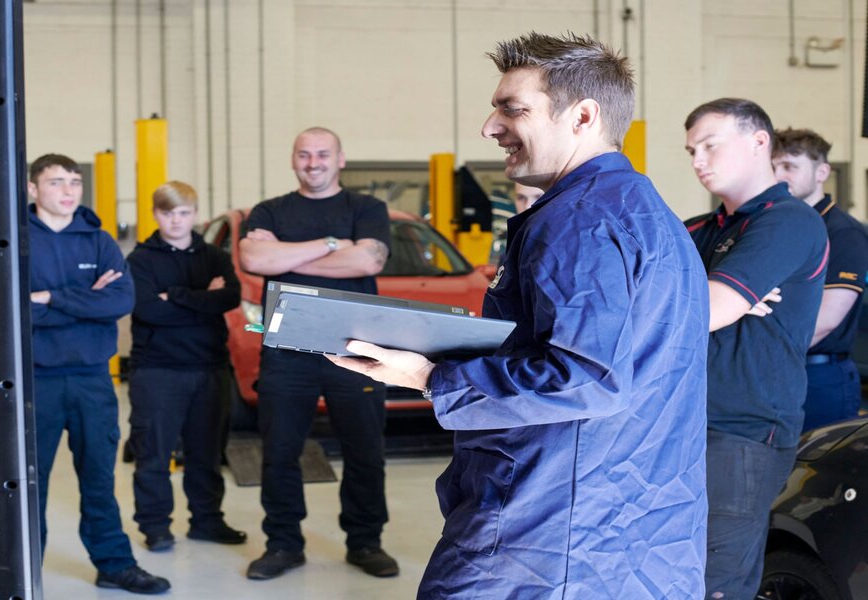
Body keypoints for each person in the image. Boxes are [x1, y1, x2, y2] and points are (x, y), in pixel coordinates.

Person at [330, 32, 709, 598]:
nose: (490, 127)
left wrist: (429, 376)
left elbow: (586, 377)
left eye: (513, 109)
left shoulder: (579, 219)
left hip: (549, 532)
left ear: (582, 116)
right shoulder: (646, 212)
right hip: (634, 527)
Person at [683, 100, 829, 599]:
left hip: (740, 434)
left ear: (759, 142)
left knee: (714, 583)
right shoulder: (699, 231)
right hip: (681, 424)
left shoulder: (788, 221)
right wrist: (703, 295)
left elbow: (710, 309)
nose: (699, 159)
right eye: (691, 150)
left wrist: (713, 297)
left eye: (710, 145)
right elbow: (634, 301)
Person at [238, 127, 396, 581]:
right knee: (280, 452)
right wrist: (331, 246)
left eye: (322, 154)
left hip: (358, 349)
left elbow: (368, 262)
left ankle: (366, 542)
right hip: (287, 349)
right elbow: (254, 260)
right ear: (293, 160)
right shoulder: (270, 209)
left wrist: (285, 259)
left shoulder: (366, 208)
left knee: (365, 450)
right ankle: (283, 544)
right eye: (304, 155)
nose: (313, 162)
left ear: (340, 159)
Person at [28, 154, 170, 594]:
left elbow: (118, 303)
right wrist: (81, 302)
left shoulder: (98, 240)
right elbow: (8, 310)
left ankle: (113, 564)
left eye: (74, 182)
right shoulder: (12, 239)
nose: (69, 191)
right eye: (56, 182)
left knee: (99, 478)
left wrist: (50, 298)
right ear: (33, 190)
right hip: (35, 380)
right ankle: (23, 569)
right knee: (30, 482)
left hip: (92, 379)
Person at [126, 181, 245, 552]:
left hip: (209, 368)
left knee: (206, 453)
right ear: (155, 214)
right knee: (153, 454)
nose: (175, 221)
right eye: (167, 212)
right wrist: (201, 299)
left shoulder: (214, 256)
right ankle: (155, 526)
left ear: (194, 213)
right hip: (157, 370)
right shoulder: (140, 260)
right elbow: (148, 309)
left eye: (182, 213)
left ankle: (207, 521)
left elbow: (229, 297)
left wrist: (175, 297)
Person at [772, 128, 868, 431]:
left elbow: (826, 320)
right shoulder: (775, 226)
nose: (778, 175)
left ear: (822, 172)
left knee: (817, 474)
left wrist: (759, 355)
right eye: (773, 167)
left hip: (821, 379)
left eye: (789, 166)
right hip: (776, 370)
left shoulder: (844, 233)